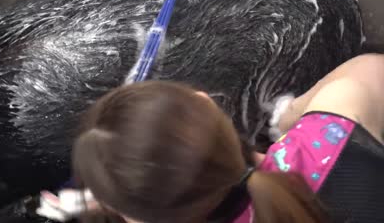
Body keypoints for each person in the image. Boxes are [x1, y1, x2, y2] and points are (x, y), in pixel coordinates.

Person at [38, 54, 384, 223]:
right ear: (205, 101)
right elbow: (373, 70)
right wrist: (292, 115)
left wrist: (93, 203)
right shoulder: (334, 124)